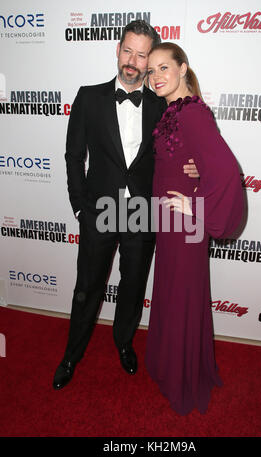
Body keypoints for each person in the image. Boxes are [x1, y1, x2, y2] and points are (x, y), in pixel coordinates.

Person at [53, 22, 199, 390]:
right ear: (117, 51)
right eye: (128, 51)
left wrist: (196, 167)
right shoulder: (89, 97)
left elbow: (178, 153)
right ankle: (72, 353)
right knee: (87, 286)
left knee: (133, 286)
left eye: (142, 54)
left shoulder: (162, 103)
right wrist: (79, 208)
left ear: (151, 58)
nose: (133, 61)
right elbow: (73, 157)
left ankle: (123, 343)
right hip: (98, 210)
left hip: (143, 214)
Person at [145, 42, 244, 415]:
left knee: (182, 293)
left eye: (163, 68)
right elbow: (196, 160)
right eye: (151, 70)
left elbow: (227, 170)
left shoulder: (192, 114)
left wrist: (196, 204)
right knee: (173, 291)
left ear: (183, 68)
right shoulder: (174, 110)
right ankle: (171, 365)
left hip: (184, 223)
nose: (156, 76)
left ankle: (182, 375)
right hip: (169, 222)